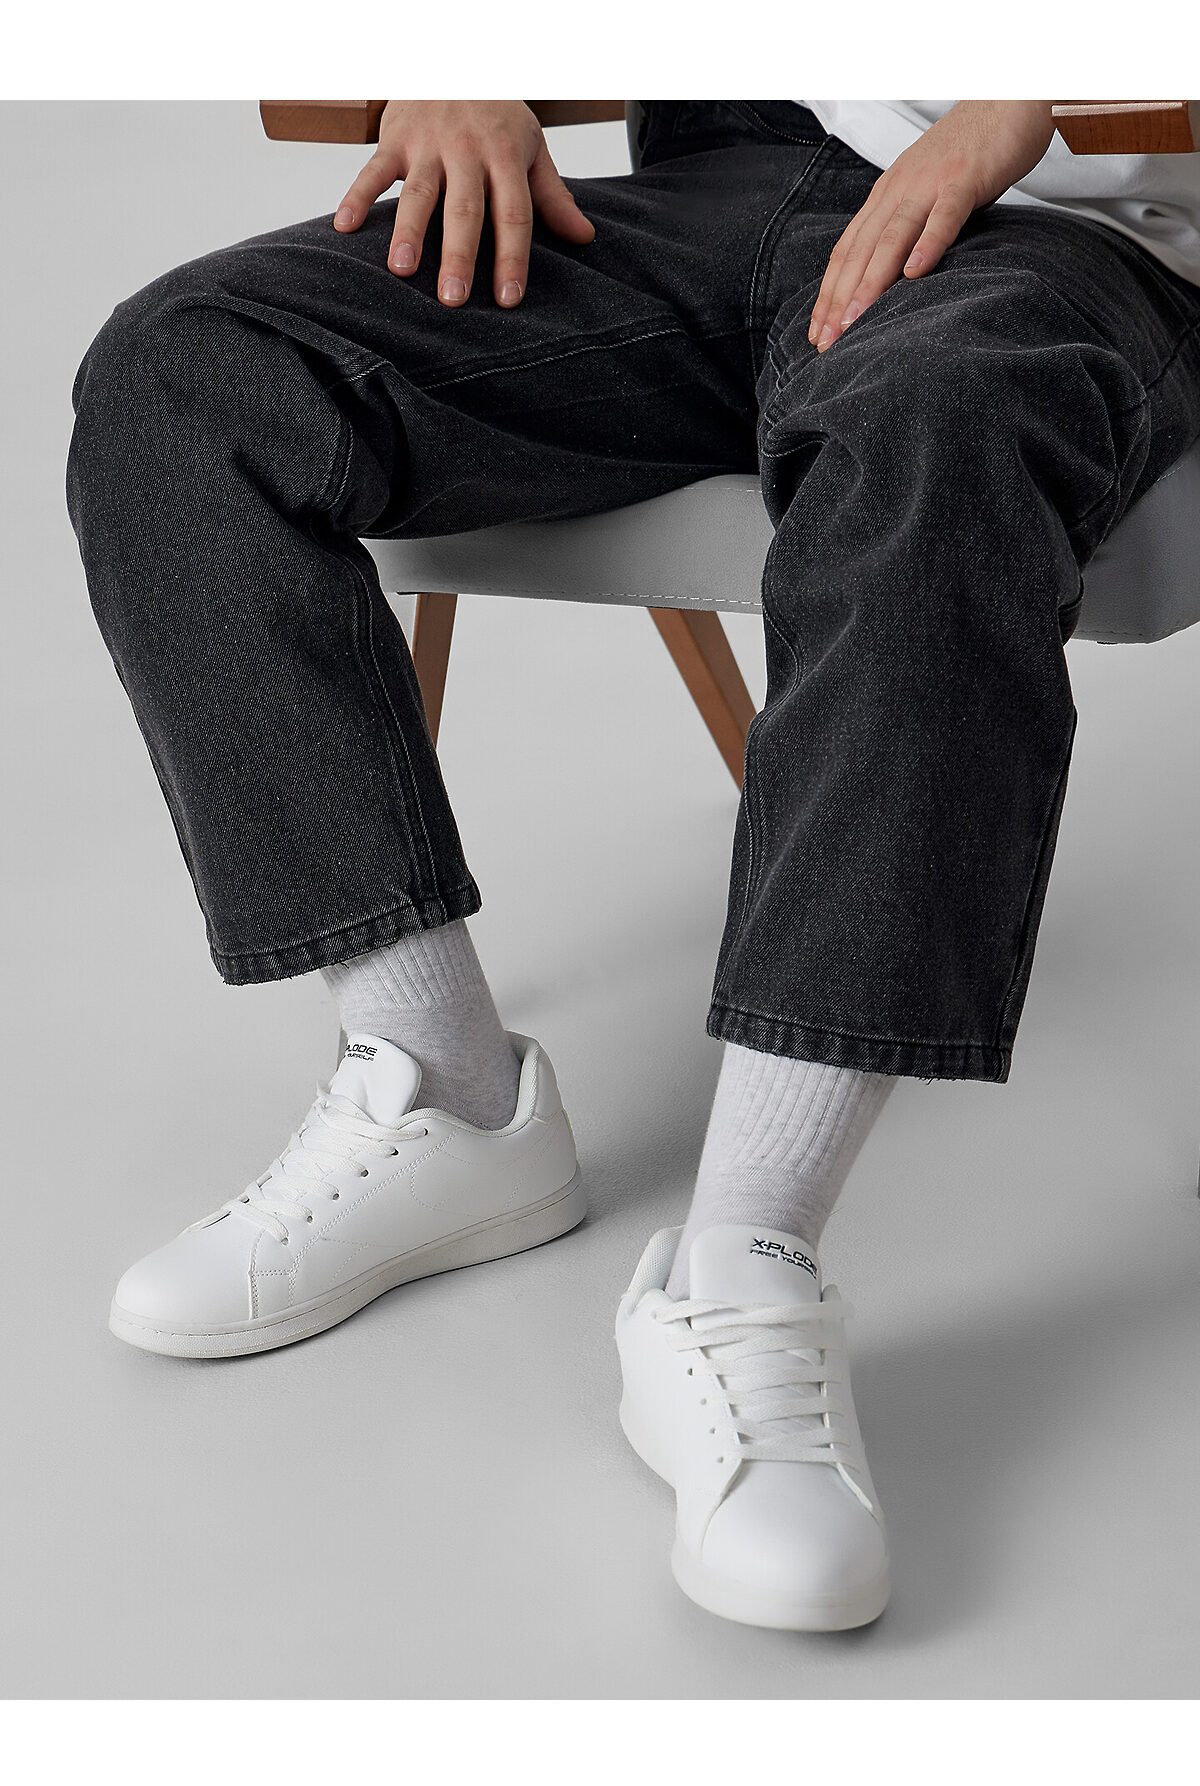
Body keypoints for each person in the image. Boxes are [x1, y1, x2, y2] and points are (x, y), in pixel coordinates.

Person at [67, 100, 1200, 1634]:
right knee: (188, 371)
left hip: (1065, 231)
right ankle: (444, 1090)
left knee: (942, 427)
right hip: (715, 187)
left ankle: (741, 1264)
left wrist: (1031, 96)